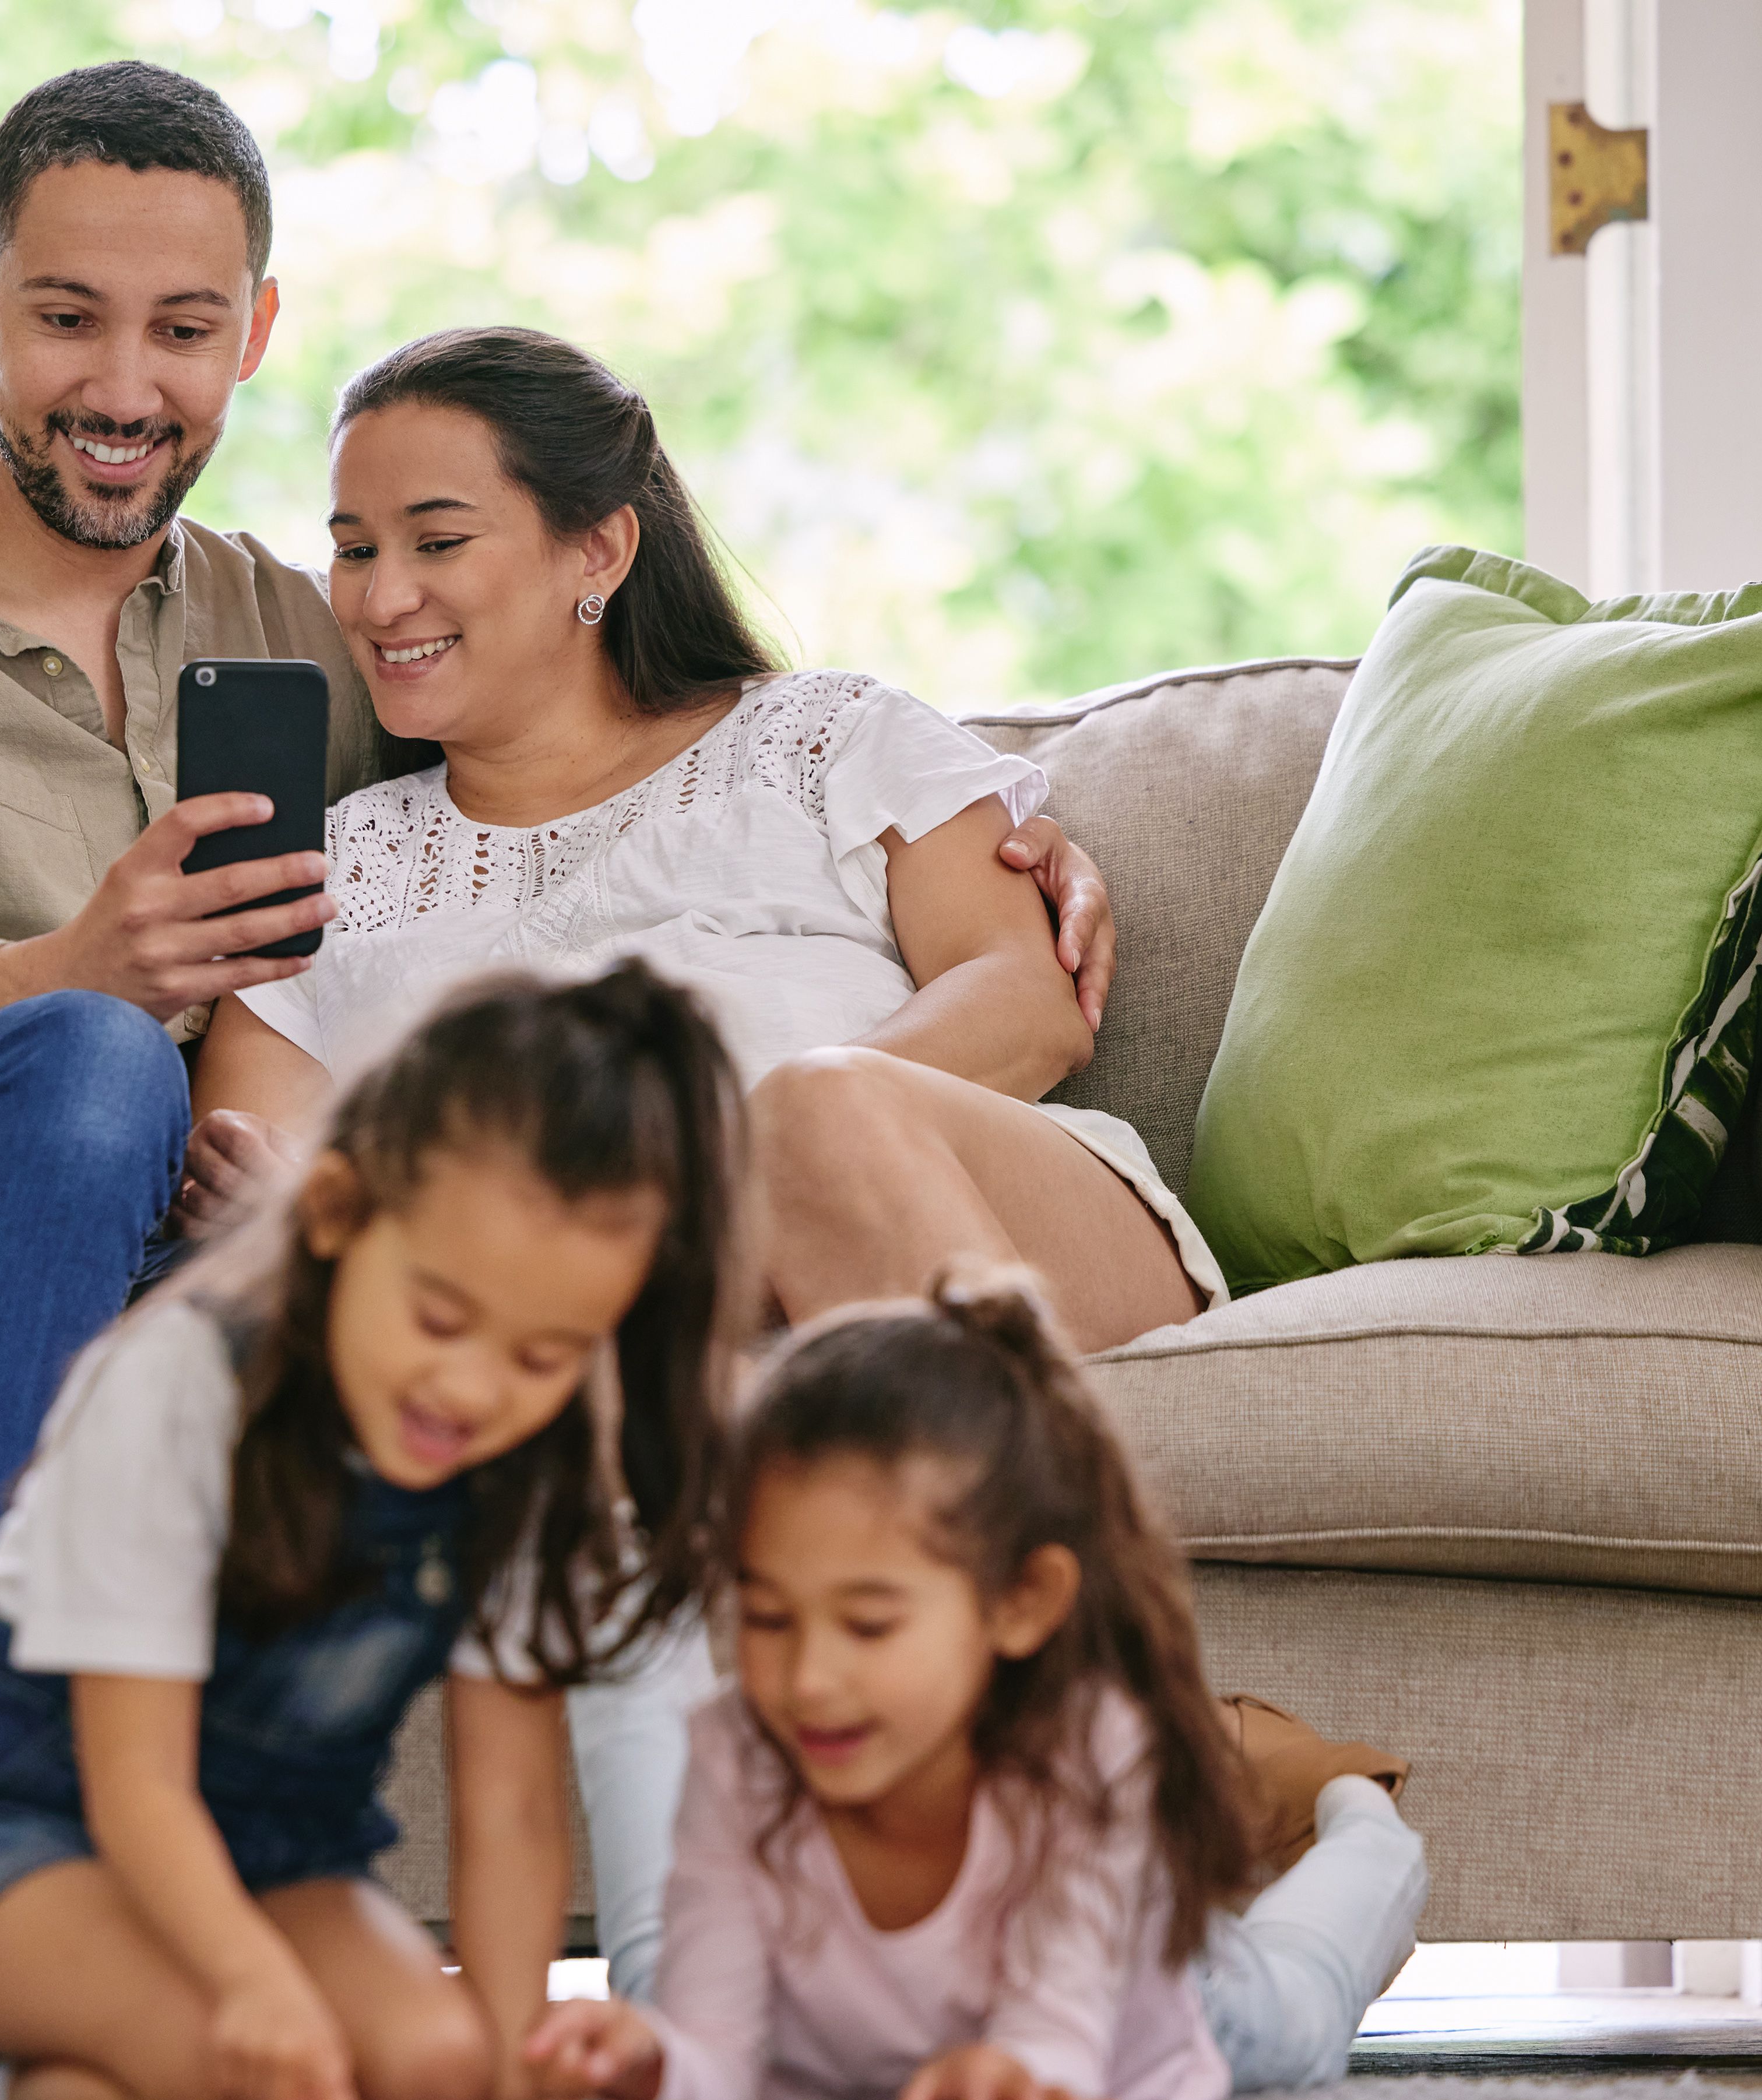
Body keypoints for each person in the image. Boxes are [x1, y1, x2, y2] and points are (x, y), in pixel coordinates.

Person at [0, 68, 1121, 2100]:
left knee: (280, 1239)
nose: (123, 385)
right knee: (84, 1062)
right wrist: (60, 972)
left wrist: (1019, 847)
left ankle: (156, 2006)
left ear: (254, 331)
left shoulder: (304, 624)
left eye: (181, 327)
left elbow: (581, 773)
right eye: (66, 318)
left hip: (136, 1230)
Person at [183, 323, 1247, 1994]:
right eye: (354, 546)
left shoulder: (821, 739)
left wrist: (708, 1181)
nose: (381, 596)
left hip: (979, 1217)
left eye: (436, 540)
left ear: (597, 551)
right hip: (630, 1338)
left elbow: (1026, 999)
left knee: (810, 1111)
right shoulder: (338, 869)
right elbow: (263, 1168)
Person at [0, 964, 744, 2100]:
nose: (472, 1388)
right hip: (24, 1832)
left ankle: (197, 2055)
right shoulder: (182, 1384)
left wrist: (510, 2091)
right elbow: (136, 1783)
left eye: (542, 1357)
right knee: (249, 2080)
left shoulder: (531, 1463)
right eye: (439, 1318)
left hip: (283, 1855)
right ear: (335, 1215)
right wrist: (255, 1987)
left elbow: (511, 1808)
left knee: (435, 2079)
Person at [520, 1269, 1428, 2100]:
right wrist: (652, 2061)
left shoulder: (1086, 1755)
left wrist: (1015, 2068)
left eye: (869, 1624)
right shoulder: (735, 1753)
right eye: (766, 1618)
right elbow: (716, 2062)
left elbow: (1056, 2047)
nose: (808, 1680)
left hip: (1131, 2016)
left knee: (1300, 2013)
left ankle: (1363, 1821)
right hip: (845, 2062)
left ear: (1020, 1602)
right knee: (655, 1984)